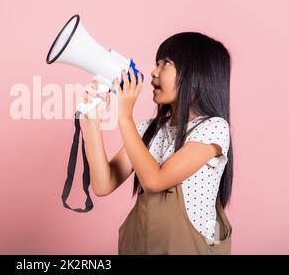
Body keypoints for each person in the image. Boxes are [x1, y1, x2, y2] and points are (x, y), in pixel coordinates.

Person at [80, 32, 233, 254]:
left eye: (166, 64)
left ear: (196, 76)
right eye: (156, 63)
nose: (154, 72)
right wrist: (92, 120)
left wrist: (124, 116)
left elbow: (155, 180)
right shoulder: (147, 130)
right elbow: (104, 184)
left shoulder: (213, 129)